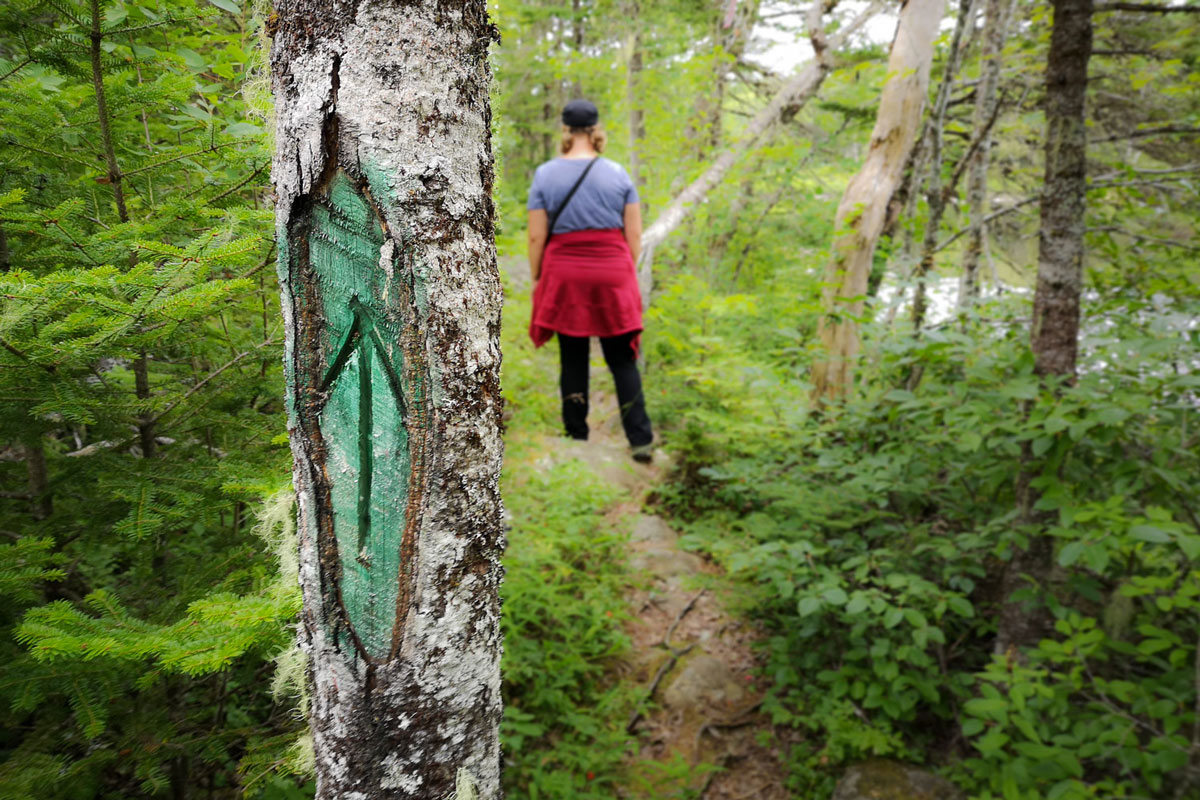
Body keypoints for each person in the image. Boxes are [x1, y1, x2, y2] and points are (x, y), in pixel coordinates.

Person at [527, 98, 654, 463]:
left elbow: (537, 237)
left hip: (565, 274)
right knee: (622, 359)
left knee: (573, 355)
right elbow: (634, 235)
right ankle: (641, 441)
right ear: (596, 130)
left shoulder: (545, 175)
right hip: (613, 271)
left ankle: (576, 438)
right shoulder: (618, 174)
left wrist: (540, 275)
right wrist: (622, 272)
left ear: (565, 130)